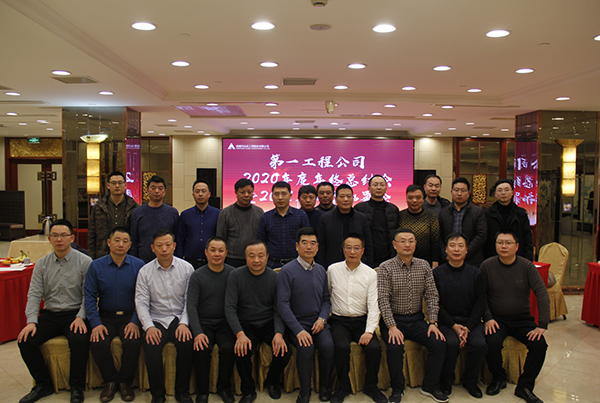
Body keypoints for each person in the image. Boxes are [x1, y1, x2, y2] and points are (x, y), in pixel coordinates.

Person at [18, 219, 92, 403]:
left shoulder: (85, 262)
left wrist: (81, 317)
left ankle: (76, 386)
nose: (59, 239)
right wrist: (31, 322)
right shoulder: (42, 264)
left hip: (74, 314)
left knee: (79, 340)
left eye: (64, 235)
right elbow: (34, 294)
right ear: (49, 238)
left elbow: (88, 295)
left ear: (72, 238)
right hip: (50, 315)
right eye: (55, 236)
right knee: (26, 341)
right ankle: (43, 384)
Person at [377, 228, 447, 403]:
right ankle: (397, 389)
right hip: (394, 320)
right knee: (395, 347)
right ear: (395, 245)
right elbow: (383, 300)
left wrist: (433, 322)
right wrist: (392, 326)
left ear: (415, 244)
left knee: (438, 342)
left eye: (410, 241)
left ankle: (430, 386)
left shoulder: (424, 266)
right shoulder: (385, 267)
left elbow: (432, 295)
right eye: (402, 241)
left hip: (416, 320)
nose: (407, 244)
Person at [481, 229, 549, 403]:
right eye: (500, 242)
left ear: (517, 246)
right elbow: (481, 296)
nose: (504, 246)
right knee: (491, 342)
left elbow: (541, 293)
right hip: (497, 320)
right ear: (495, 245)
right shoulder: (487, 266)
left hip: (522, 319)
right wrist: (488, 317)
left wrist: (542, 324)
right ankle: (499, 378)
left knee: (539, 345)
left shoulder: (526, 266)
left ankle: (524, 386)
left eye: (508, 243)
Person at [225, 240, 291, 403]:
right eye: (251, 256)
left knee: (285, 351)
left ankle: (272, 381)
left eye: (260, 256)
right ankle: (248, 390)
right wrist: (240, 334)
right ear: (245, 257)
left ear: (267, 257)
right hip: (246, 323)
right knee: (241, 352)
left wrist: (278, 333)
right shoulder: (236, 275)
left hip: (268, 322)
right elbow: (230, 308)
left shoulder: (274, 277)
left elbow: (278, 309)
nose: (256, 260)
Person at [84, 227, 145, 402]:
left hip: (130, 315)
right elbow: (89, 296)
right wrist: (96, 323)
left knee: (133, 342)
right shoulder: (96, 266)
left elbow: (143, 296)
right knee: (98, 343)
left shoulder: (139, 265)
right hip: (105, 316)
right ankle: (110, 381)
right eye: (117, 240)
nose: (121, 244)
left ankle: (125, 382)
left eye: (125, 241)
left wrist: (135, 321)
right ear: (109, 243)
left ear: (130, 245)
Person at [135, 229, 194, 403]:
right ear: (152, 248)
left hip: (179, 318)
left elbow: (190, 300)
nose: (164, 249)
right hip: (156, 319)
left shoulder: (186, 268)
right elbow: (141, 303)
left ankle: (182, 391)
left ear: (174, 246)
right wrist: (149, 327)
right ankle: (158, 394)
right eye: (159, 246)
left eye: (168, 245)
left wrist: (184, 323)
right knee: (151, 347)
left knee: (186, 344)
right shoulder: (145, 271)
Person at [277, 227, 335, 403]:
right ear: (297, 246)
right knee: (306, 347)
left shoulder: (321, 270)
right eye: (304, 243)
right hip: (297, 323)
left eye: (312, 243)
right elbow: (282, 305)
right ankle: (305, 391)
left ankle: (325, 387)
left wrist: (322, 319)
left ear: (317, 247)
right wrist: (298, 330)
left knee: (328, 346)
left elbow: (326, 299)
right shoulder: (286, 271)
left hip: (318, 321)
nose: (308, 247)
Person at [327, 233, 387, 403]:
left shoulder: (370, 274)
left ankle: (371, 386)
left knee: (374, 348)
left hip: (362, 320)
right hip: (339, 321)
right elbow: (328, 296)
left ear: (362, 250)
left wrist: (369, 331)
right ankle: (343, 387)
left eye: (356, 248)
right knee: (341, 347)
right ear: (343, 249)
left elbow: (374, 305)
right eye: (348, 247)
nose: (352, 252)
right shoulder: (332, 270)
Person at [433, 233, 486, 399]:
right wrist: (454, 326)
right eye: (452, 246)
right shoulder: (437, 273)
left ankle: (471, 382)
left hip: (470, 322)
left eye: (460, 246)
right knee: (450, 343)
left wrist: (468, 327)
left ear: (466, 250)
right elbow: (435, 303)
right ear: (446, 250)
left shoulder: (476, 273)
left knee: (479, 344)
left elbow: (480, 303)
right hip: (447, 322)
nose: (456, 249)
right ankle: (445, 382)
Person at [186, 237, 236, 403]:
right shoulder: (197, 275)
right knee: (202, 349)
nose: (217, 254)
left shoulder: (233, 274)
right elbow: (191, 306)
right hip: (204, 323)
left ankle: (224, 388)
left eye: (221, 250)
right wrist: (198, 332)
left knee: (228, 348)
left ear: (226, 253)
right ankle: (202, 391)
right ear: (206, 252)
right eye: (213, 250)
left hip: (225, 323)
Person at [317, 184, 373, 268]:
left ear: (353, 198)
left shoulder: (361, 218)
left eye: (349, 196)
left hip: (358, 264)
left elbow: (368, 244)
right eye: (342, 196)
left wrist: (369, 266)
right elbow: (321, 246)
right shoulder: (325, 218)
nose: (346, 199)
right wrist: (322, 268)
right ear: (336, 199)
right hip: (333, 265)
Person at [257, 181, 310, 268]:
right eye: (276, 194)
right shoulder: (265, 217)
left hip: (296, 263)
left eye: (284, 194)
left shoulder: (301, 215)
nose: (280, 198)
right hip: (272, 264)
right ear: (272, 196)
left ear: (290, 196)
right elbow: (261, 242)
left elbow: (306, 240)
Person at [88, 171, 139, 259]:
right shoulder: (98, 207)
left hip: (128, 255)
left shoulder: (134, 208)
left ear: (125, 185)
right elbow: (91, 235)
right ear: (108, 185)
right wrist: (91, 257)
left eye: (120, 183)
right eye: (114, 183)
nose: (117, 186)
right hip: (103, 253)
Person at [438, 177, 487, 267]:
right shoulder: (443, 212)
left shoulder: (478, 212)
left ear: (468, 194)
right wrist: (445, 254)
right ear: (451, 192)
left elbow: (481, 235)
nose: (459, 193)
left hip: (472, 260)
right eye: (456, 190)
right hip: (448, 260)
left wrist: (465, 252)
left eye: (463, 191)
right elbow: (439, 236)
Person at [130, 176, 179, 263]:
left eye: (160, 188)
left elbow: (177, 239)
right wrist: (134, 261)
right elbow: (133, 240)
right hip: (142, 261)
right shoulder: (137, 213)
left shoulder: (172, 213)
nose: (156, 191)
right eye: (153, 188)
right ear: (147, 191)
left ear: (164, 192)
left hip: (167, 261)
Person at [216, 178, 264, 268]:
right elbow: (220, 239)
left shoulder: (259, 212)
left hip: (254, 259)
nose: (246, 195)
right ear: (236, 193)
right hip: (232, 259)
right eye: (242, 192)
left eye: (249, 192)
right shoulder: (225, 213)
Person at [355, 175, 400, 267]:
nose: (379, 187)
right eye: (375, 185)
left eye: (382, 185)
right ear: (369, 188)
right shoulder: (360, 208)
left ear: (386, 188)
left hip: (388, 254)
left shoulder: (393, 209)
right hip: (367, 255)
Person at [484, 179, 534, 261]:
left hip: (517, 259)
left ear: (512, 192)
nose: (503, 193)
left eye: (507, 190)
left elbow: (527, 240)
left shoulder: (521, 214)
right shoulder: (487, 214)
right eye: (500, 190)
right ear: (495, 194)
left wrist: (527, 261)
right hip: (493, 258)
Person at [175, 179, 221, 269]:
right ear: (193, 195)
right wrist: (179, 260)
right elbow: (180, 239)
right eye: (197, 191)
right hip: (189, 262)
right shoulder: (185, 215)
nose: (200, 194)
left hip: (211, 261)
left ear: (209, 194)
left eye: (203, 191)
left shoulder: (218, 214)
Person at [398, 184, 440, 267]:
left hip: (425, 261)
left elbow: (435, 241)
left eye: (418, 197)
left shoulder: (431, 216)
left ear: (423, 199)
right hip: (403, 261)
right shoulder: (399, 216)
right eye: (411, 198)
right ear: (406, 199)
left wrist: (435, 262)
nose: (414, 200)